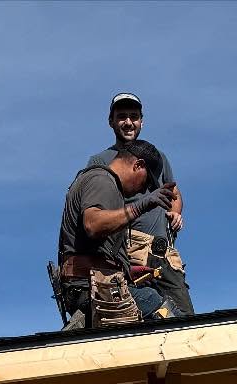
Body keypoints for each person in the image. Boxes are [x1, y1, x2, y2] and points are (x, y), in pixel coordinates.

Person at [85, 92, 194, 316]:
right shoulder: (100, 161)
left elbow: (173, 191)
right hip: (128, 251)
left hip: (163, 254)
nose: (128, 122)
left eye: (133, 117)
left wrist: (175, 213)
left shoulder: (158, 156)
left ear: (141, 121)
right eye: (122, 116)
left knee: (185, 321)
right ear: (111, 122)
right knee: (137, 317)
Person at [56, 139, 176, 326]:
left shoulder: (101, 181)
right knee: (168, 314)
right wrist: (142, 206)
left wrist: (127, 270)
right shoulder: (102, 180)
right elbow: (93, 224)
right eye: (146, 183)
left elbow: (92, 249)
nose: (143, 190)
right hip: (90, 290)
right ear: (138, 165)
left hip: (89, 287)